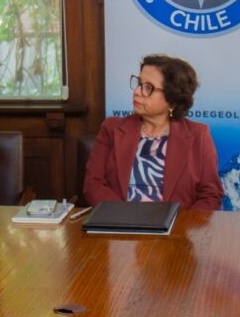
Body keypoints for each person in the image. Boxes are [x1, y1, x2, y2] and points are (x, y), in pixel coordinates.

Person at [83, 54, 224, 210]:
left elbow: (210, 195)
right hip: (119, 226)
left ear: (172, 100)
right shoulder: (112, 128)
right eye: (139, 83)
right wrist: (124, 217)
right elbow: (93, 185)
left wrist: (181, 227)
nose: (137, 91)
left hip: (176, 230)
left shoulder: (198, 135)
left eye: (148, 88)